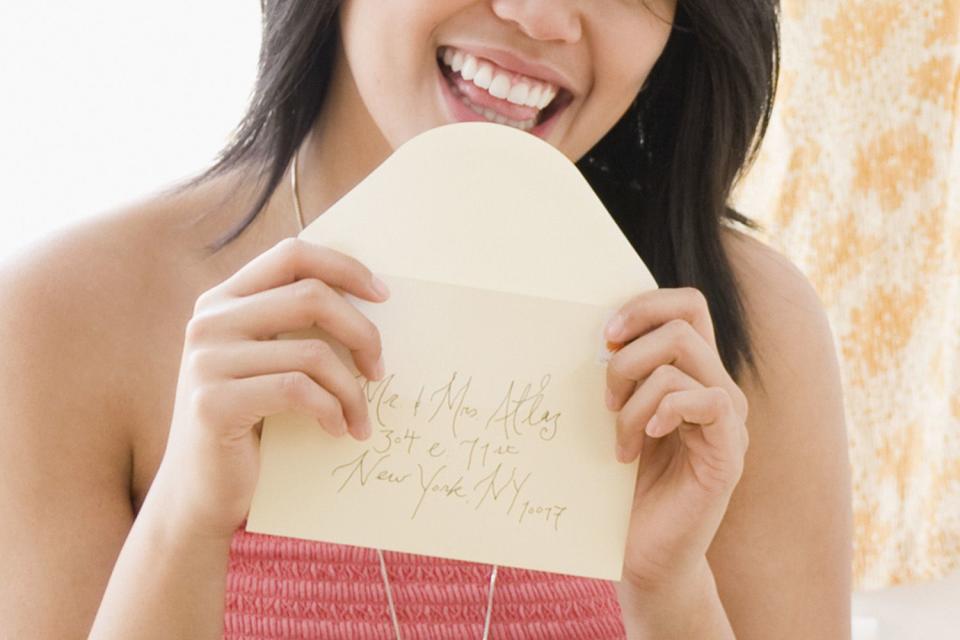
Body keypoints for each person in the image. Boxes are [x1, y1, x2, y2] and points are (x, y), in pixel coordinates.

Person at [0, 0, 852, 638]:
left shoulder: (732, 338)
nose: (542, 15)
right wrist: (186, 525)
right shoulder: (64, 321)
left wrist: (666, 591)